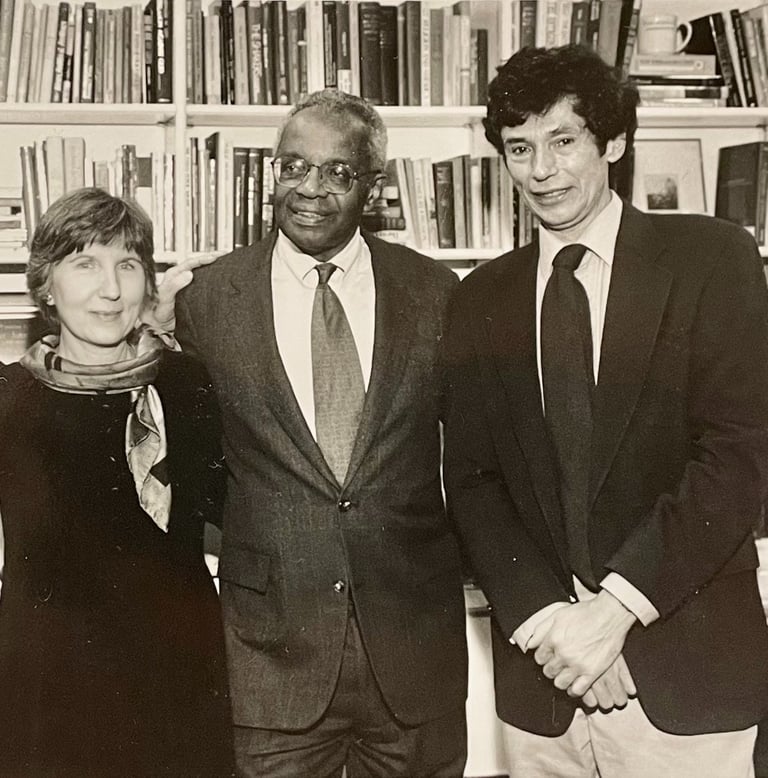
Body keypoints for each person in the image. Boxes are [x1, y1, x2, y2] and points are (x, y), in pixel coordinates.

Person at [443, 44, 768, 777]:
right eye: (520, 148)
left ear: (613, 142)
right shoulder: (478, 298)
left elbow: (739, 457)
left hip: (686, 680)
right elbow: (472, 481)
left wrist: (612, 613)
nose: (541, 170)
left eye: (564, 141)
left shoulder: (712, 259)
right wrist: (555, 628)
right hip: (544, 684)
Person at [170, 88, 468, 777]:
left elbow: (476, 458)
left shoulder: (437, 293)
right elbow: (195, 472)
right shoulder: (207, 301)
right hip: (270, 657)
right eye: (293, 166)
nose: (309, 188)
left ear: (374, 187)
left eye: (337, 172)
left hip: (413, 655)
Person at [0, 188, 235, 777]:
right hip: (49, 696)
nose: (111, 289)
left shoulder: (185, 383)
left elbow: (232, 508)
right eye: (85, 263)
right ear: (45, 284)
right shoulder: (9, 399)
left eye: (127, 265)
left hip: (176, 686)